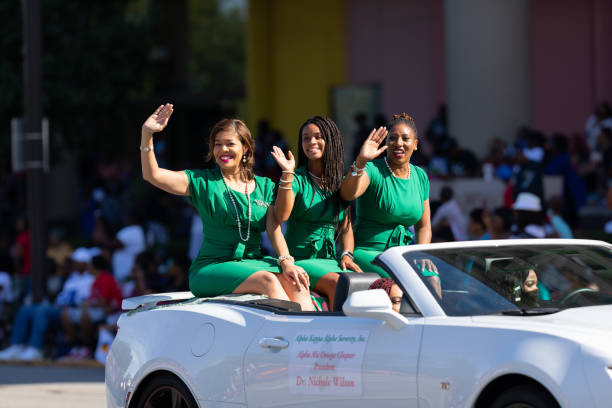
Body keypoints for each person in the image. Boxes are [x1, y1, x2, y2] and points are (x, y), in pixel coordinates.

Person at [140, 104, 314, 311]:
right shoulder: (202, 182)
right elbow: (153, 175)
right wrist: (147, 134)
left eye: (229, 144)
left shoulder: (265, 186)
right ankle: (289, 335)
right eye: (217, 144)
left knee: (297, 281)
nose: (222, 150)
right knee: (268, 281)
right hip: (212, 267)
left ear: (245, 148)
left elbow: (274, 227)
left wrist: (286, 262)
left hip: (253, 263)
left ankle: (312, 338)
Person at [271, 116, 362, 309]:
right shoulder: (297, 179)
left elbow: (346, 228)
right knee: (340, 284)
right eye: (306, 138)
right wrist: (287, 174)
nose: (311, 142)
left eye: (318, 137)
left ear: (331, 141)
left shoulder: (338, 182)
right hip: (301, 260)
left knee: (364, 282)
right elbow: (281, 217)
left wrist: (347, 254)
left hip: (330, 260)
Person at [340, 113, 439, 289]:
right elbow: (347, 194)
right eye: (392, 138)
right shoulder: (372, 170)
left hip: (403, 253)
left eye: (405, 138)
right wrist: (361, 161)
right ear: (386, 143)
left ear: (415, 144)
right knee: (407, 283)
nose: (399, 143)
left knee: (432, 279)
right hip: (370, 252)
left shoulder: (420, 176)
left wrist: (421, 253)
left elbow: (423, 227)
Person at [0, 247, 94, 362]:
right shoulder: (72, 278)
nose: (73, 264)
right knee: (26, 309)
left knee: (41, 311)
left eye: (76, 262)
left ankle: (36, 348)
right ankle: (16, 346)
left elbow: (85, 301)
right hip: (59, 308)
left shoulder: (91, 279)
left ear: (85, 263)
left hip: (71, 311)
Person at [60, 255, 122, 359]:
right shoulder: (95, 281)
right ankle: (75, 346)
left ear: (94, 266)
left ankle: (87, 347)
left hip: (112, 313)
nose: (88, 267)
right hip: (97, 310)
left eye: (89, 265)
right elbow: (92, 301)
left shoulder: (106, 278)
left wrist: (87, 305)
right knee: (65, 314)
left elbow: (102, 302)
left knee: (85, 314)